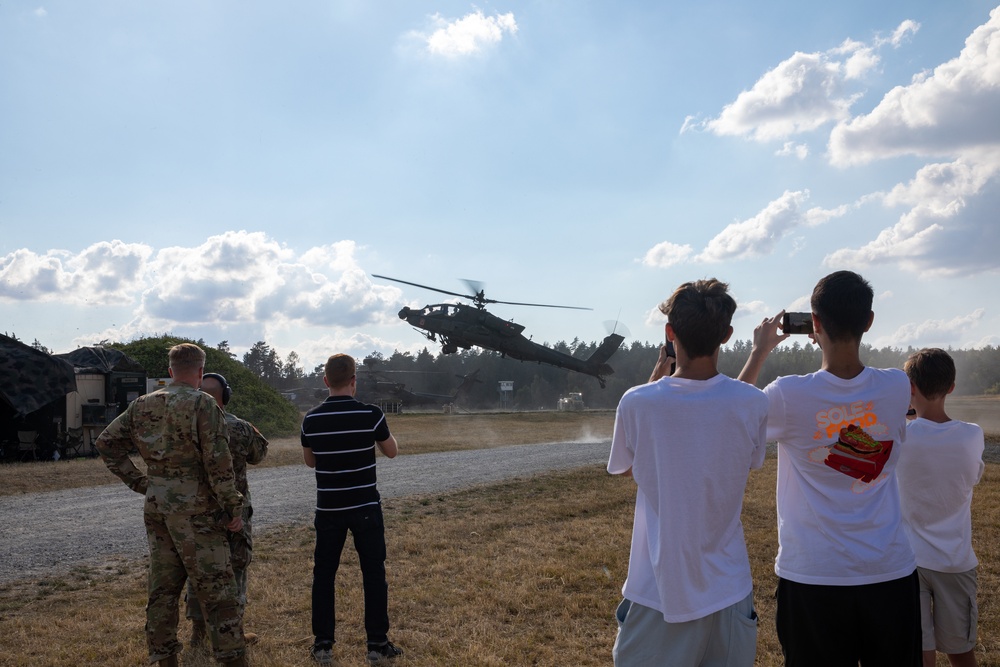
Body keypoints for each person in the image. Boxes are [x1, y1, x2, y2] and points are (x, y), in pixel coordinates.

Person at [738, 270, 921, 666]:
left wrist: (759, 352)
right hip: (889, 572)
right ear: (869, 322)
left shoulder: (788, 395)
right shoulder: (896, 386)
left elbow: (730, 418)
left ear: (815, 324)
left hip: (813, 576)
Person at [608, 278, 768, 667]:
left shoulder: (637, 401)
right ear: (727, 335)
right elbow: (740, 451)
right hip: (729, 589)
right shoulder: (753, 402)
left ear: (669, 333)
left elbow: (627, 467)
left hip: (656, 591)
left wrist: (654, 379)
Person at [96, 343, 248, 667]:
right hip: (197, 512)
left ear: (170, 372)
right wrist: (234, 508)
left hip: (158, 507)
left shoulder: (142, 405)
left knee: (163, 588)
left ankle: (164, 659)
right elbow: (219, 464)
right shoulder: (203, 404)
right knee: (219, 591)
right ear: (200, 372)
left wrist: (140, 483)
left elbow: (106, 442)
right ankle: (231, 659)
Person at [302, 353, 403, 665]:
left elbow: (310, 461)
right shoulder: (371, 414)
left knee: (324, 575)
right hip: (365, 507)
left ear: (325, 381)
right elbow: (392, 452)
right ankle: (377, 644)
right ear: (354, 381)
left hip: (329, 508)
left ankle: (323, 645)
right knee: (373, 574)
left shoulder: (311, 419)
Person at [896, 348, 985, 667]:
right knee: (961, 651)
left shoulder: (901, 436)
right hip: (955, 561)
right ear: (951, 387)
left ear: (910, 388)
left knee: (919, 652)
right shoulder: (972, 435)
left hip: (910, 562)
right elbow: (973, 476)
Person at [186, 372, 269, 648]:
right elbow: (259, 454)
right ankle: (233, 631)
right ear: (227, 396)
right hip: (234, 511)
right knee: (236, 568)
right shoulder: (240, 427)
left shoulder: (185, 427)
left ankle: (198, 632)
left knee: (199, 571)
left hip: (197, 511)